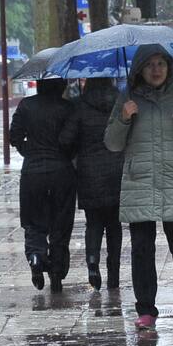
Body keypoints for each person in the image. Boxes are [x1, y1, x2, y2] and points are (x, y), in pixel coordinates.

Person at [104, 44, 173, 329]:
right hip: (139, 182)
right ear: (139, 69)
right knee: (141, 250)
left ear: (169, 67)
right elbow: (112, 143)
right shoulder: (127, 99)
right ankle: (146, 309)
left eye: (161, 63)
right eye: (149, 64)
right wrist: (124, 118)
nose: (156, 70)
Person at [10, 78, 77, 292]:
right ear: (62, 85)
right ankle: (57, 270)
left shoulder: (26, 106)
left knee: (34, 222)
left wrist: (28, 152)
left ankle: (36, 257)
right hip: (62, 173)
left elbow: (14, 136)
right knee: (60, 223)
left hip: (32, 174)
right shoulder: (68, 108)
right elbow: (72, 140)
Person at [59, 78, 124, 290]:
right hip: (117, 170)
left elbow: (66, 140)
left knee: (94, 222)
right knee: (115, 225)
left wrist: (75, 153)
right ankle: (113, 275)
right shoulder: (121, 102)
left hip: (88, 173)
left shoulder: (79, 105)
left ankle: (92, 261)